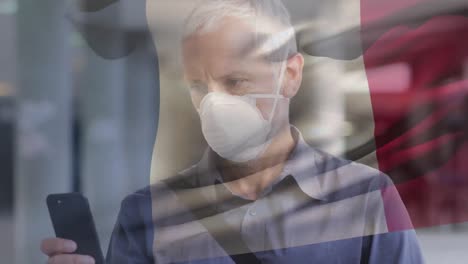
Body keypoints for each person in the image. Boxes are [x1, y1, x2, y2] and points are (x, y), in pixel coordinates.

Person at [41, 0, 424, 263]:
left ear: (290, 75)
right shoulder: (149, 214)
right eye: (199, 87)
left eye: (235, 82)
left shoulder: (367, 200)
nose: (215, 104)